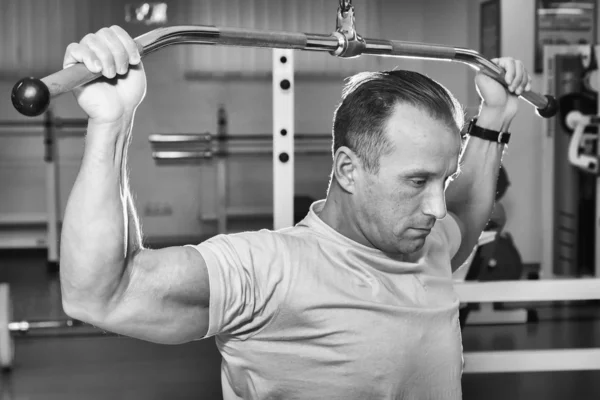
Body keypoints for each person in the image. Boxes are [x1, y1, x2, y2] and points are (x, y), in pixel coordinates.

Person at [59, 26, 531, 399]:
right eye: (417, 180)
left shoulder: (429, 245)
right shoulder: (269, 272)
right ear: (348, 169)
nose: (436, 207)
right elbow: (102, 294)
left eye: (443, 180)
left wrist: (495, 116)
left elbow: (466, 218)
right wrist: (112, 121)